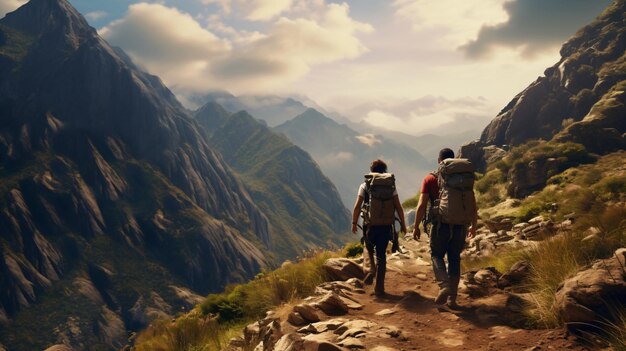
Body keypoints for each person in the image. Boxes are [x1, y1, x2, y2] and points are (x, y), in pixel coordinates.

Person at [411, 148, 477, 308]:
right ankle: (452, 300)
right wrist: (473, 225)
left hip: (440, 225)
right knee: (454, 258)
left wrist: (416, 226)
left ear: (439, 161)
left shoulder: (430, 179)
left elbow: (421, 205)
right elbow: (472, 202)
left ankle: (444, 285)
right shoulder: (463, 179)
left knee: (436, 255)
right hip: (460, 225)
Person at [351, 159, 407, 296]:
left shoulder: (365, 185)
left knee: (369, 247)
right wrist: (403, 224)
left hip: (370, 225)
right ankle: (379, 288)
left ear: (371, 171)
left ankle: (372, 270)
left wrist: (354, 222)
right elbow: (398, 206)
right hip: (386, 225)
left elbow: (358, 206)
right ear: (384, 171)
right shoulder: (390, 186)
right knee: (381, 256)